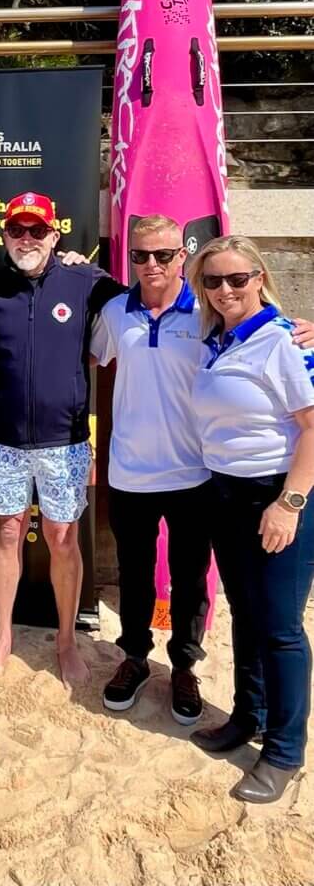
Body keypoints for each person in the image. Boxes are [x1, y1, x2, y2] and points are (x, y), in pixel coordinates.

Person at [0, 191, 122, 685]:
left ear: (55, 235)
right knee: (8, 532)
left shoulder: (84, 281)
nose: (26, 239)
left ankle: (67, 639)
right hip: (2, 441)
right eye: (17, 230)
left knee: (63, 538)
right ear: (4, 234)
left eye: (37, 230)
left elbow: (147, 305)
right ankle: (4, 634)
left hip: (65, 442)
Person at [187, 235, 314, 804]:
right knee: (244, 612)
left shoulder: (282, 340)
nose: (226, 290)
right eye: (213, 281)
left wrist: (288, 504)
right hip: (226, 493)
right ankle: (249, 717)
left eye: (238, 279)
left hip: (277, 495)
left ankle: (285, 753)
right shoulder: (216, 337)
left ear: (260, 277)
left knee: (282, 628)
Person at [90, 215, 214, 724]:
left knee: (189, 577)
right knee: (134, 575)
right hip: (131, 472)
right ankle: (136, 658)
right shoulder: (117, 312)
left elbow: (260, 329)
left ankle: (184, 665)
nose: (151, 264)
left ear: (182, 255)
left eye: (163, 255)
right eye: (140, 255)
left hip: (195, 473)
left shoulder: (209, 311)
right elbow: (91, 362)